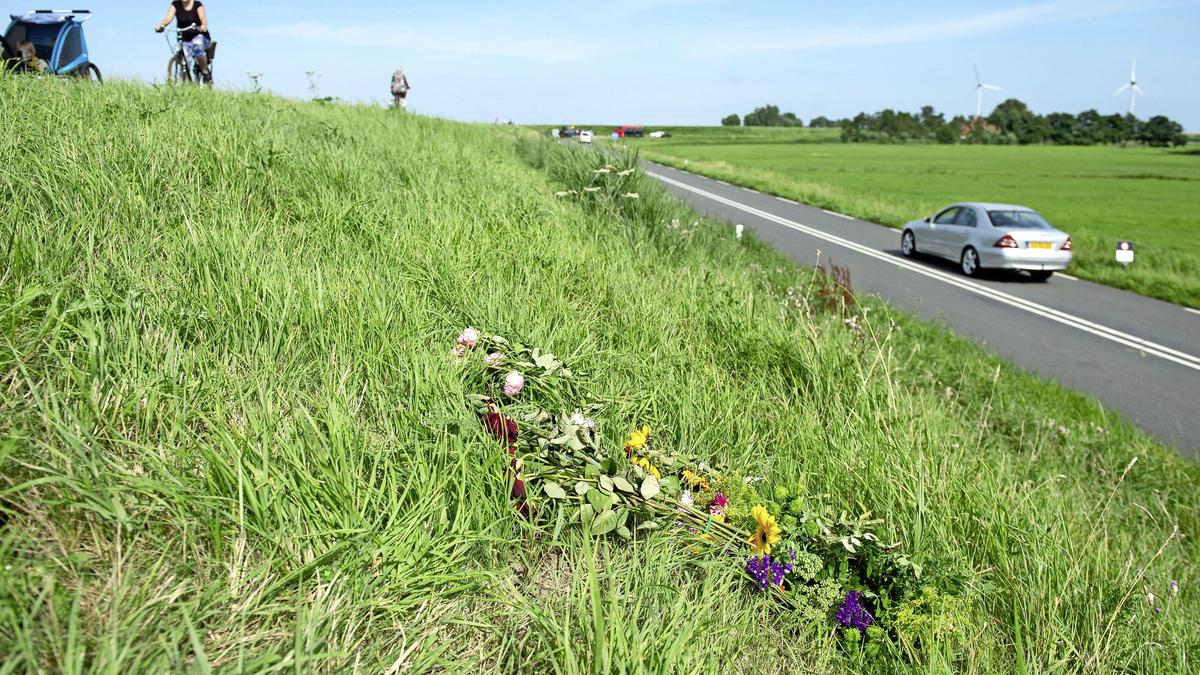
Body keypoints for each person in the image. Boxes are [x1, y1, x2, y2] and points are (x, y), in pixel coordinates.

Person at [154, 1, 211, 79]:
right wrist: (161, 25)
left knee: (197, 46)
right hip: (184, 38)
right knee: (184, 57)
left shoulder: (197, 4)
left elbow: (203, 18)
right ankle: (182, 80)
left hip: (199, 35)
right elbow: (168, 18)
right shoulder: (175, 4)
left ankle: (205, 72)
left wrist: (203, 25)